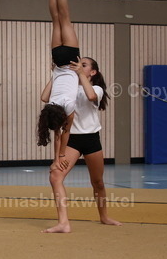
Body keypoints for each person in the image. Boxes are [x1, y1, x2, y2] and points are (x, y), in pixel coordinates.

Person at [41, 56, 121, 232]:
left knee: (98, 182)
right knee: (55, 176)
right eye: (77, 64)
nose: (77, 66)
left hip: (91, 138)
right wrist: (56, 73)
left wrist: (79, 73)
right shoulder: (66, 89)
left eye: (83, 65)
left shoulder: (96, 89)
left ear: (93, 72)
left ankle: (104, 216)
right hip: (71, 141)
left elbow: (91, 96)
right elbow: (45, 97)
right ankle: (63, 222)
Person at [37, 0, 79, 163]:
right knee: (55, 18)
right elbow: (43, 97)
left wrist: (59, 157)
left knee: (64, 17)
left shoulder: (69, 108)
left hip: (71, 61)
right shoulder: (51, 103)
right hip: (57, 59)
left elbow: (63, 135)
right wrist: (54, 75)